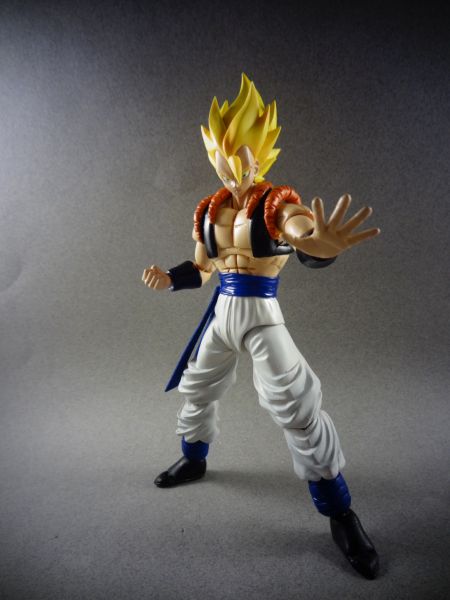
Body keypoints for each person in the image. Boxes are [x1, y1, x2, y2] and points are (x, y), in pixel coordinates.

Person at [142, 74, 380, 579]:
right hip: (222, 312)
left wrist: (320, 246)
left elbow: (301, 231)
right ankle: (194, 458)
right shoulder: (209, 208)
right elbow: (203, 268)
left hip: (261, 315)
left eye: (240, 154)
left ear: (261, 153)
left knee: (295, 405)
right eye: (221, 155)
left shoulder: (276, 202)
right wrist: (170, 279)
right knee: (197, 387)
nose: (231, 166)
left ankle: (340, 512)